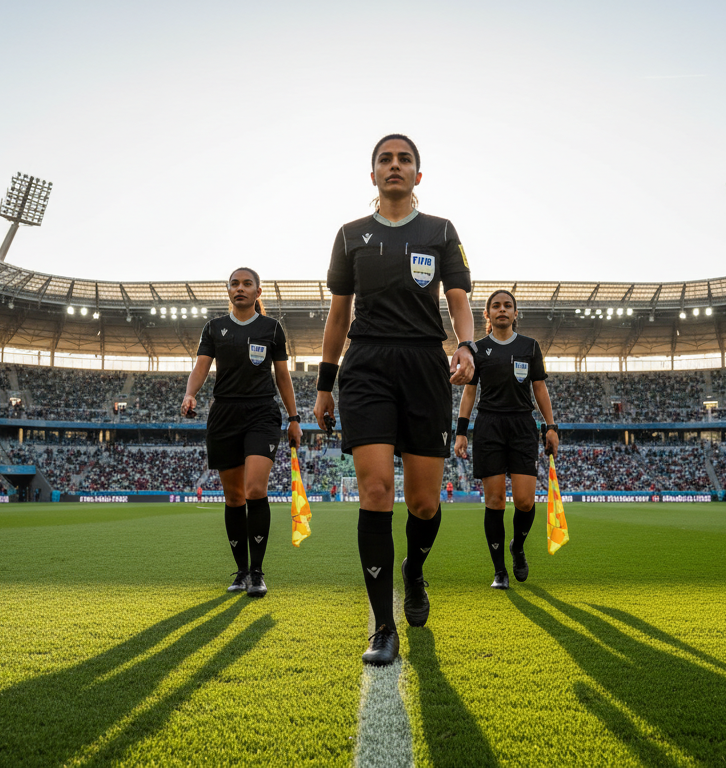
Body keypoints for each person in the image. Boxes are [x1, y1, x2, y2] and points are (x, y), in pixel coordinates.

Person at [313, 134, 475, 665]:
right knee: (377, 489)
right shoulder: (349, 235)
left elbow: (458, 299)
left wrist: (467, 345)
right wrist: (324, 385)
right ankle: (383, 627)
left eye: (405, 159)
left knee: (425, 503)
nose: (395, 165)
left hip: (425, 363)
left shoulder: (441, 231)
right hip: (367, 365)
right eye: (385, 159)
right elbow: (339, 315)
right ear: (373, 175)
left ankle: (414, 570)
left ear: (418, 175)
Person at [183, 267, 302, 599]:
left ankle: (258, 573)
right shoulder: (214, 328)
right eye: (234, 283)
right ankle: (241, 571)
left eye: (247, 284)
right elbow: (201, 366)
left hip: (262, 413)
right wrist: (190, 393)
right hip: (224, 415)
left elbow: (282, 376)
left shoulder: (271, 328)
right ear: (228, 291)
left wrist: (294, 418)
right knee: (234, 497)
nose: (240, 288)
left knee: (254, 489)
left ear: (257, 292)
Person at [454, 289, 558, 590]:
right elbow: (469, 392)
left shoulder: (530, 346)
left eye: (507, 306)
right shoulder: (477, 349)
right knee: (495, 501)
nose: (502, 310)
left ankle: (518, 546)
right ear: (487, 314)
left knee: (525, 502)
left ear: (515, 313)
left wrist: (551, 427)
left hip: (522, 425)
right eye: (496, 306)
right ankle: (499, 571)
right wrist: (461, 431)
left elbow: (539, 388)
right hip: (489, 426)